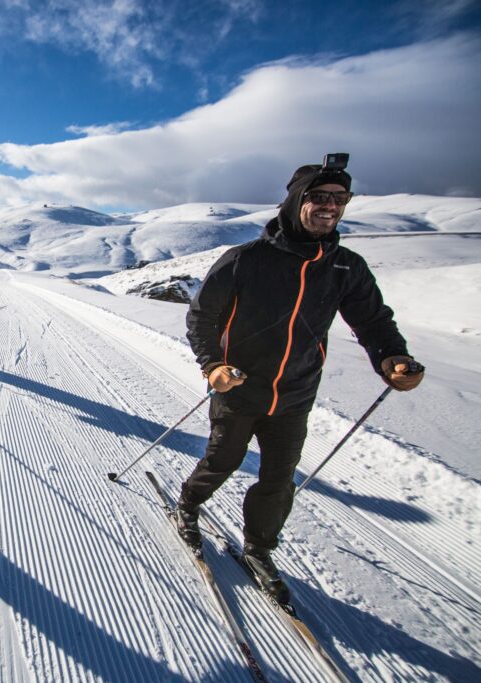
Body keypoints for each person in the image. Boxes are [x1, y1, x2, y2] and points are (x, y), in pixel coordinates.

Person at [176, 155, 424, 602]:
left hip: (295, 394)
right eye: (319, 197)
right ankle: (188, 505)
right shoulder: (246, 260)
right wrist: (213, 365)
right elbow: (202, 315)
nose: (330, 206)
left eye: (339, 198)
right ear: (295, 201)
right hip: (239, 387)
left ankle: (258, 548)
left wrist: (393, 357)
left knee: (278, 479)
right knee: (222, 461)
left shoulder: (346, 267)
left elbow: (372, 321)